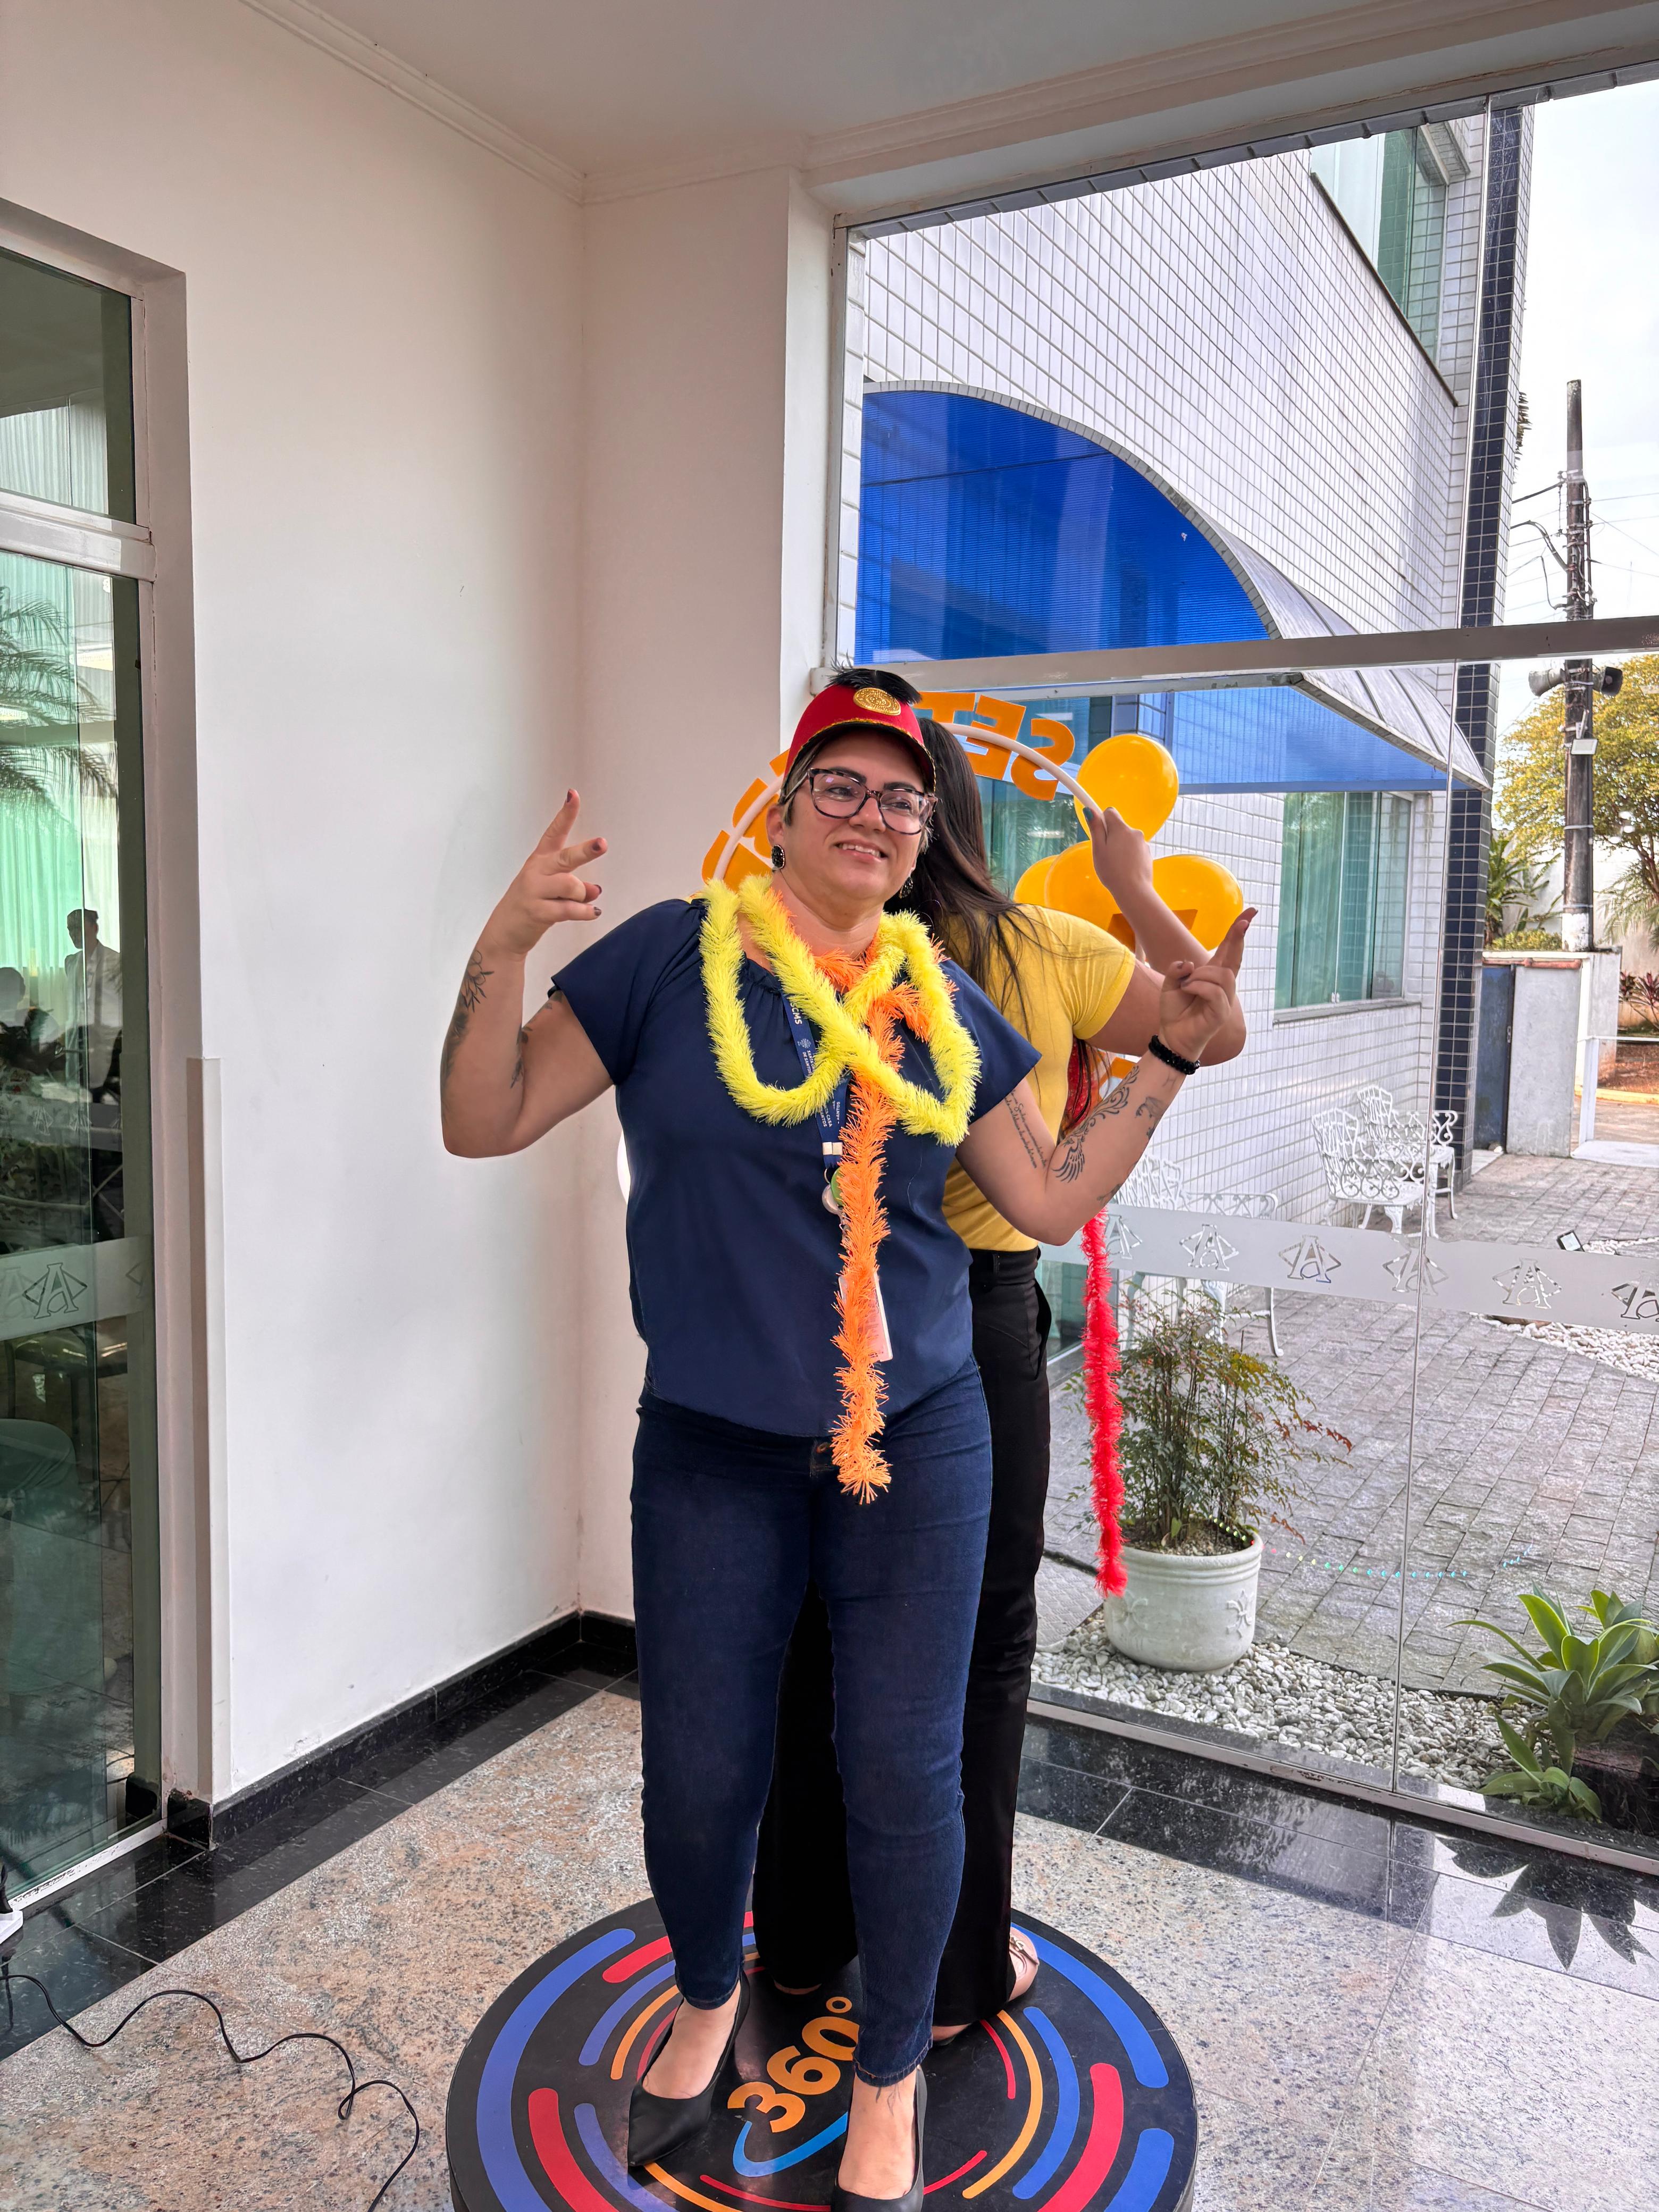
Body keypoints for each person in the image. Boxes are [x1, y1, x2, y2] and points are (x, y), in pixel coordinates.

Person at [439, 669, 1249, 2212]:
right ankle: (705, 1993)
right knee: (698, 1768)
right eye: (841, 784)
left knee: (903, 1768)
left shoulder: (943, 999)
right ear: (787, 808)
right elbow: (484, 1117)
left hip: (918, 1441)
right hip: (712, 1448)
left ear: (924, 832)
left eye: (901, 797)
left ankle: (887, 2077)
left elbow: (1047, 1198)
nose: (871, 814)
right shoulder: (667, 959)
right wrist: (503, 943)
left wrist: (1168, 1064)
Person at [752, 716, 1251, 2038]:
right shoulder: (1042, 949)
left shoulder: (806, 951)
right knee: (977, 1649)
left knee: (816, 1630)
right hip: (972, 1323)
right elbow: (1209, 1026)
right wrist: (1136, 881)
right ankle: (958, 1971)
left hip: (832, 1318)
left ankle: (796, 1942)